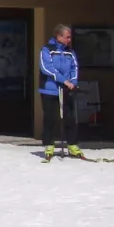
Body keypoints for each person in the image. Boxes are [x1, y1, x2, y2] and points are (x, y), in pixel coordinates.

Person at [38, 24, 84, 161]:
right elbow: (47, 68)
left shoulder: (70, 52)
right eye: (67, 37)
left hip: (66, 90)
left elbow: (75, 68)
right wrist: (64, 81)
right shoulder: (47, 50)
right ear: (59, 36)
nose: (69, 39)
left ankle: (73, 145)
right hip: (50, 89)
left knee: (69, 118)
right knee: (50, 118)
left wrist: (72, 83)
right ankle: (49, 145)